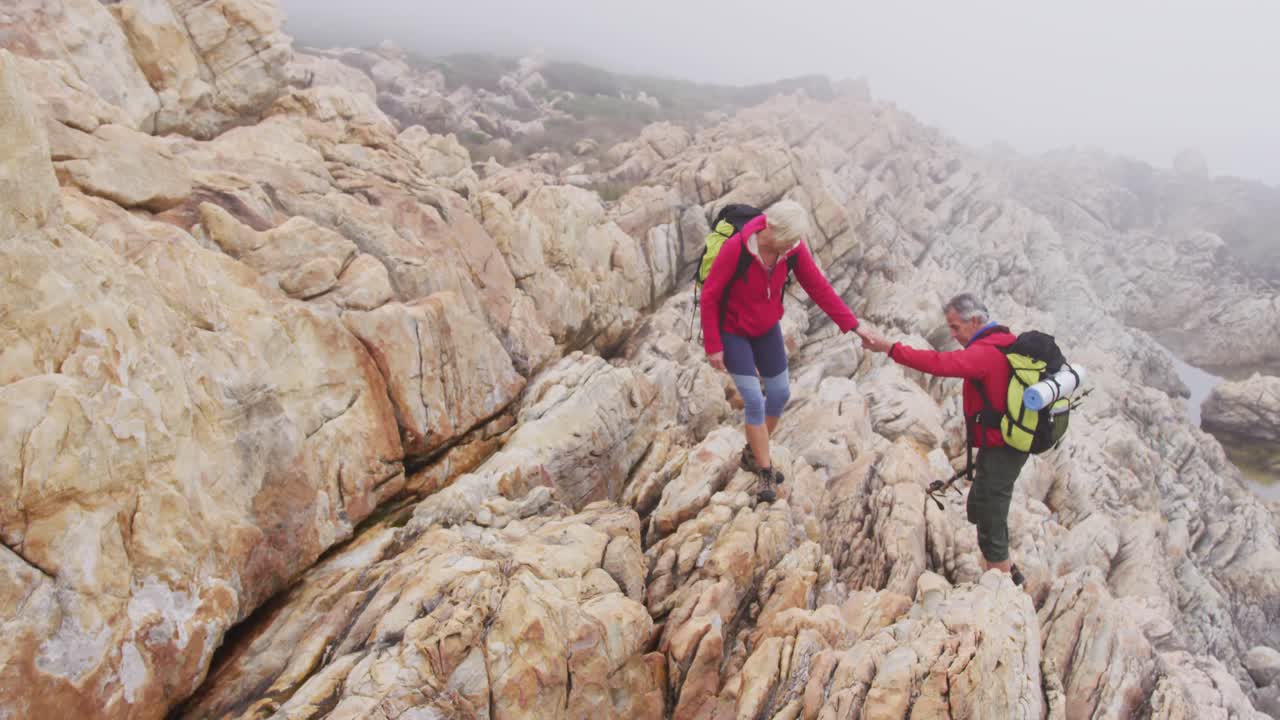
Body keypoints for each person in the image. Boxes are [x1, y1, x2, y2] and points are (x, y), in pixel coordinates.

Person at [701, 200, 870, 502]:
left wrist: (854, 326)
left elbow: (819, 288)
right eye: (790, 239)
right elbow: (710, 295)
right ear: (771, 227)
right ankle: (765, 471)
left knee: (779, 394)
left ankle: (753, 453)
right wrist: (714, 345)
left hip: (766, 330)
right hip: (733, 331)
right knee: (753, 399)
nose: (794, 245)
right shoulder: (737, 249)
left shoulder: (791, 250)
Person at [857, 293, 1028, 585]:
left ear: (974, 321)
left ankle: (1002, 583)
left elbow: (938, 364)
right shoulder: (1003, 340)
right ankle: (1004, 568)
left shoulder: (984, 352)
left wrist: (888, 347)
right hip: (999, 442)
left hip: (1004, 447)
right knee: (980, 505)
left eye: (955, 327)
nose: (952, 334)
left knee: (990, 513)